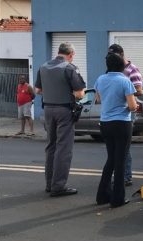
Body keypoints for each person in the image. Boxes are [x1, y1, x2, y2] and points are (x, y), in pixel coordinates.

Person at [34, 42, 86, 197]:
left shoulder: (43, 67)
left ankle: (50, 184)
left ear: (59, 52)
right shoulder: (69, 68)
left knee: (51, 146)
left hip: (48, 109)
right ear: (70, 54)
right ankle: (59, 186)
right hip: (64, 110)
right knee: (63, 148)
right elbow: (79, 94)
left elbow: (38, 90)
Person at [95, 52, 137, 208]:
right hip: (122, 123)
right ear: (121, 66)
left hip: (105, 123)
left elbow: (98, 99)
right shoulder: (124, 81)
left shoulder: (100, 79)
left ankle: (102, 195)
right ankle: (117, 198)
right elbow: (132, 106)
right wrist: (133, 107)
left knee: (111, 159)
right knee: (121, 160)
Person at [108, 44, 143, 187]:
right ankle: (119, 174)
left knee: (124, 147)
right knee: (115, 147)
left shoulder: (132, 70)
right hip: (113, 112)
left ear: (121, 55)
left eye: (113, 56)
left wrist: (124, 92)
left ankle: (126, 176)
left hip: (127, 111)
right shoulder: (111, 70)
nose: (110, 58)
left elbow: (139, 90)